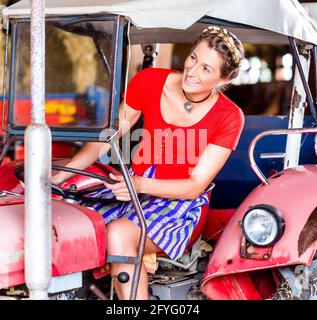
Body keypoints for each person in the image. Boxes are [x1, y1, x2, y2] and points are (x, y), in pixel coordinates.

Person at [51, 26, 245, 300]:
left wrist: (139, 184)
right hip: (133, 190)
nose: (192, 71)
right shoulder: (150, 81)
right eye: (192, 58)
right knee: (65, 217)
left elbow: (193, 187)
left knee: (119, 232)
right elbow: (109, 138)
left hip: (179, 205)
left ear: (225, 79)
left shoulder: (229, 117)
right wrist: (65, 174)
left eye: (206, 69)